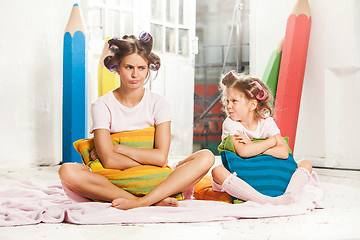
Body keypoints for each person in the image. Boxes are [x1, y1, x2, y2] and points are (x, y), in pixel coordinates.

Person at [59, 32, 215, 210]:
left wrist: (119, 148)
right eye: (129, 67)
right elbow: (109, 161)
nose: (135, 74)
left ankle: (141, 202)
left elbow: (161, 157)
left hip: (156, 177)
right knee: (67, 171)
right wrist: (151, 160)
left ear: (148, 68)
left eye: (141, 68)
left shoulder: (159, 104)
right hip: (114, 179)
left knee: (206, 156)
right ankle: (152, 200)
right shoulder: (102, 105)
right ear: (117, 68)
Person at [211, 70, 312, 205]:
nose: (228, 106)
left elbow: (283, 153)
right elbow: (244, 152)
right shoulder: (230, 123)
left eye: (234, 101)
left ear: (252, 105)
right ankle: (262, 199)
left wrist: (252, 146)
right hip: (243, 175)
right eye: (227, 101)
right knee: (217, 171)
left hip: (268, 172)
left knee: (306, 163)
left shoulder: (267, 122)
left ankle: (289, 195)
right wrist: (271, 142)